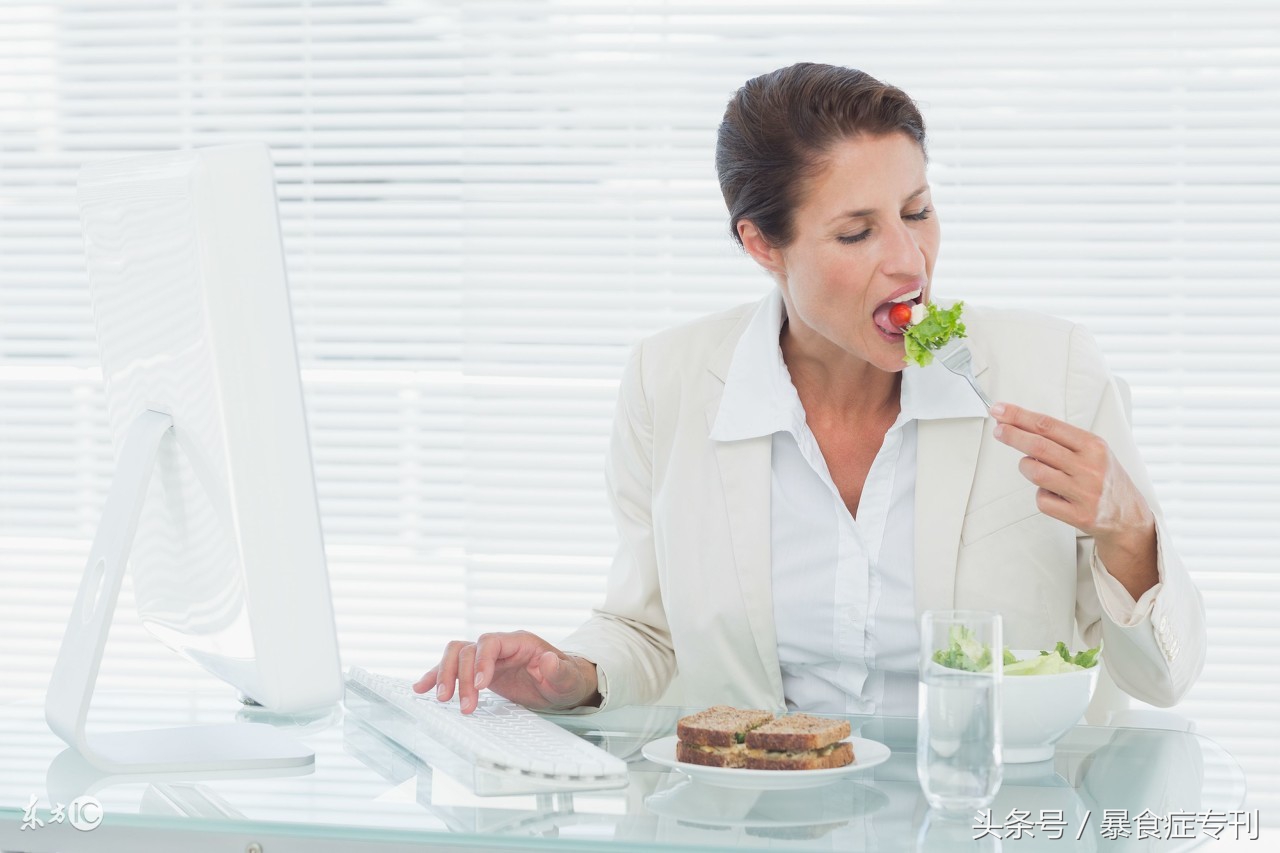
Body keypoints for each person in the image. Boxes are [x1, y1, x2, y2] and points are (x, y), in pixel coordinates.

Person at [415, 62, 1206, 717]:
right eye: (857, 232)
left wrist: (1128, 532)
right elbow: (649, 630)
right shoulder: (671, 382)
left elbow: (1167, 678)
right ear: (762, 244)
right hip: (762, 818)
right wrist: (575, 672)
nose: (909, 260)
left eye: (918, 211)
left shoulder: (1053, 369)